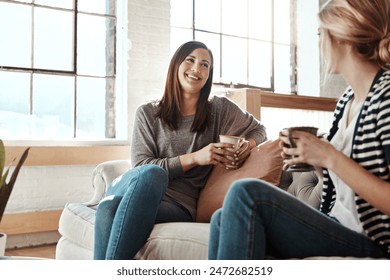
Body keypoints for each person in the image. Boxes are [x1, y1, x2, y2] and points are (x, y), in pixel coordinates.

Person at [208, 0, 390, 260]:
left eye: (320, 34)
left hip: (373, 242)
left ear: (341, 36)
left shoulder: (385, 97)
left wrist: (329, 156)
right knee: (221, 218)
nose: (318, 45)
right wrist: (313, 158)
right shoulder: (347, 101)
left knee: (246, 192)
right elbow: (340, 187)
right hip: (336, 224)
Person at [93, 40, 267, 259]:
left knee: (108, 209)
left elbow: (259, 130)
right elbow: (140, 168)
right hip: (134, 190)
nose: (197, 68)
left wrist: (247, 145)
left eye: (205, 65)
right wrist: (196, 158)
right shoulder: (147, 113)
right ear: (176, 64)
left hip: (179, 205)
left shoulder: (219, 109)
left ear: (209, 74)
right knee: (152, 173)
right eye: (190, 60)